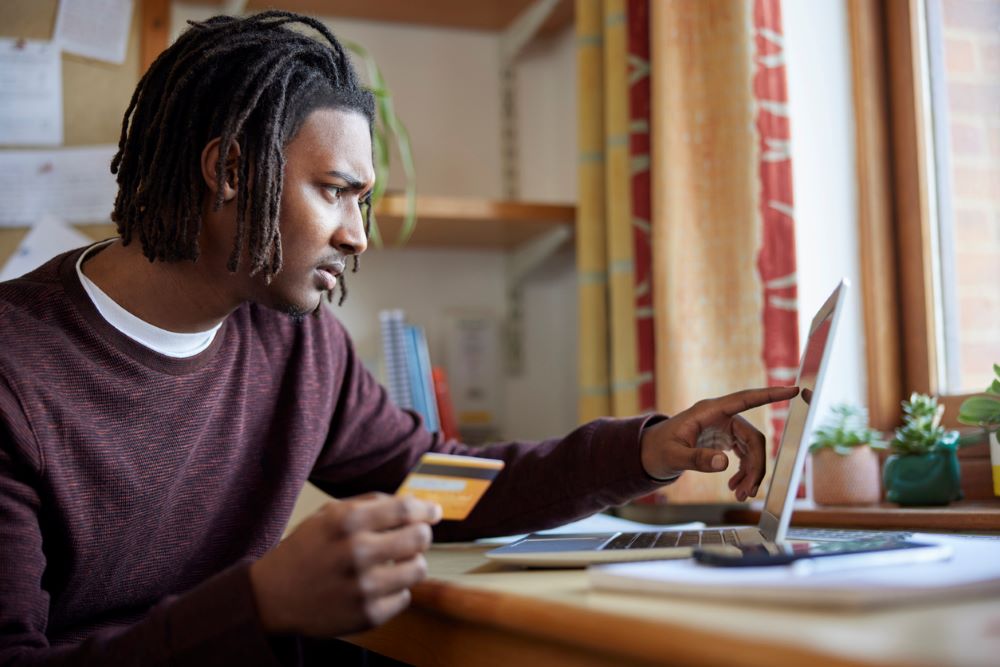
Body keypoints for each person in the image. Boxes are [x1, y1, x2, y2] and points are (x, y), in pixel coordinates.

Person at [0, 11, 797, 666]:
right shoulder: (16, 371)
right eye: (336, 192)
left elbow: (436, 485)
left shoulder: (299, 347)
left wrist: (647, 449)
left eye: (364, 202)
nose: (359, 237)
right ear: (230, 171)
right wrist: (261, 602)